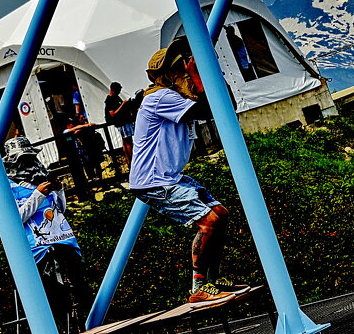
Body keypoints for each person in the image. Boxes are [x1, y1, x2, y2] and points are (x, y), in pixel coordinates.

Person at [130, 45, 248, 308]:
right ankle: (198, 287)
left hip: (170, 176)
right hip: (155, 180)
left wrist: (207, 74)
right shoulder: (160, 97)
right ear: (168, 75)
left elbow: (224, 104)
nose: (185, 71)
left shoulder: (179, 97)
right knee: (209, 221)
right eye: (180, 68)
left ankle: (212, 280)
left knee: (222, 213)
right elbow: (209, 109)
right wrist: (199, 74)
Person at [3, 136, 89, 329]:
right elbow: (15, 219)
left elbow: (59, 209)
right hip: (39, 248)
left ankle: (81, 326)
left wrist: (58, 191)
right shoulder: (8, 186)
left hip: (63, 241)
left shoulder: (40, 177)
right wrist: (38, 194)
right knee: (56, 298)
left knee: (78, 293)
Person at [105, 82, 140, 163]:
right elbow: (112, 114)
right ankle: (132, 160)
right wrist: (123, 105)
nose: (119, 92)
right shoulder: (109, 100)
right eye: (118, 90)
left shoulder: (116, 97)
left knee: (125, 141)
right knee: (128, 142)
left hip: (124, 121)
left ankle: (129, 160)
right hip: (121, 123)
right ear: (114, 90)